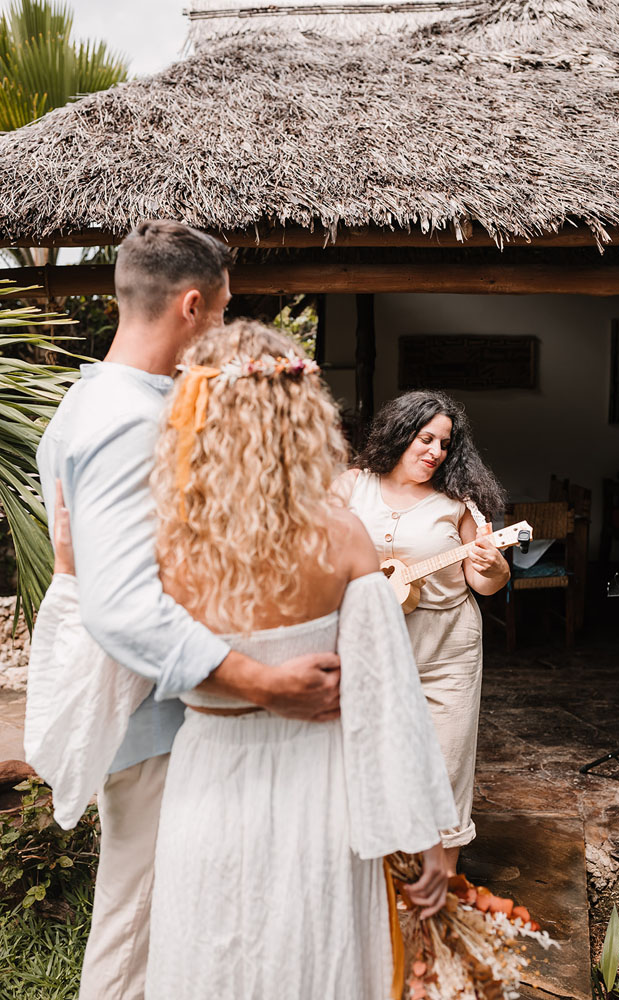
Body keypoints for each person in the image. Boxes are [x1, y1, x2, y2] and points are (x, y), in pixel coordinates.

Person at [49, 319, 458, 1000]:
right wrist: (430, 836)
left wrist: (71, 576)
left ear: (194, 414)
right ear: (304, 418)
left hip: (207, 787)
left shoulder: (160, 544)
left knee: (212, 960)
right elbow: (390, 706)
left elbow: (85, 682)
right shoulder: (344, 538)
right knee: (315, 961)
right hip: (318, 796)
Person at [33, 221, 342, 1000]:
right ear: (194, 305)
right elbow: (124, 605)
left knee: (172, 919)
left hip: (158, 711)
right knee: (138, 926)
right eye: (225, 311)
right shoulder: (128, 422)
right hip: (153, 716)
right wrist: (261, 681)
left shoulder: (95, 400)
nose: (225, 331)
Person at [334, 390, 509, 877]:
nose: (435, 451)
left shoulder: (460, 502)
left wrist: (493, 565)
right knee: (369, 761)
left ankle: (442, 890)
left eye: (445, 444)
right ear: (398, 433)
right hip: (370, 650)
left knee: (445, 766)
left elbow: (485, 584)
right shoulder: (351, 487)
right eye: (425, 438)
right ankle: (376, 880)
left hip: (446, 650)